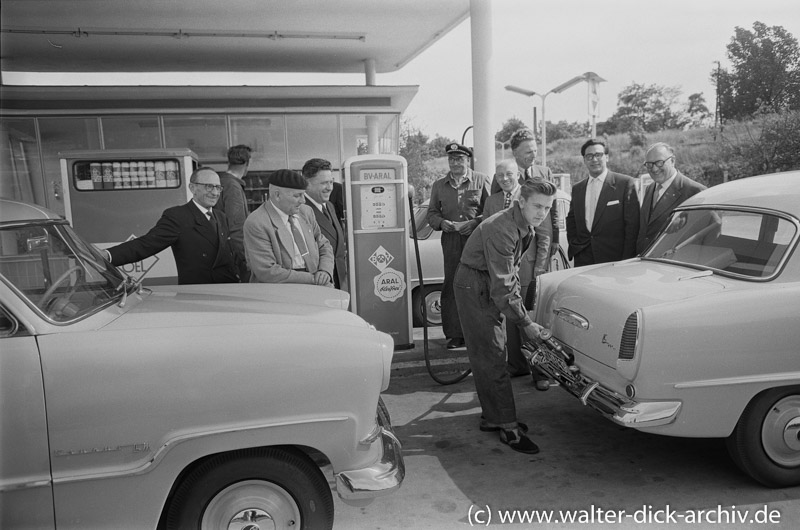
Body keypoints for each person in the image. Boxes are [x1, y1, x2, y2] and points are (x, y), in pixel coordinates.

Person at [454, 179, 556, 454]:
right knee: (493, 354)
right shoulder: (503, 229)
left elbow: (507, 278)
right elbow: (503, 286)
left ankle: (493, 417)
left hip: (485, 281)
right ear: (521, 201)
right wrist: (526, 322)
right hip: (475, 284)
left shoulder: (524, 225)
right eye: (537, 205)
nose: (541, 213)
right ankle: (508, 428)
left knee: (489, 353)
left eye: (547, 208)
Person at [106, 167, 241, 284]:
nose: (215, 193)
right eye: (209, 186)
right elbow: (146, 245)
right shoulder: (178, 216)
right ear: (192, 188)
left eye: (218, 187)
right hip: (199, 294)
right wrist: (108, 256)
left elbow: (228, 257)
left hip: (226, 290)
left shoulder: (221, 216)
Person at [426, 142, 489, 349]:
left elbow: (491, 211)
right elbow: (432, 213)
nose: (455, 163)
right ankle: (454, 334)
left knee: (478, 284)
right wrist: (442, 223)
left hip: (476, 240)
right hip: (451, 241)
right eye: (451, 159)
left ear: (467, 160)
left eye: (459, 159)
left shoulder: (481, 180)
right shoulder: (439, 185)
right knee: (453, 284)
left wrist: (475, 222)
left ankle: (479, 332)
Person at [243, 169, 334, 286]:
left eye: (303, 194)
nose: (303, 200)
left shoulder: (306, 212)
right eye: (297, 196)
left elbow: (324, 245)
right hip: (282, 291)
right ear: (277, 195)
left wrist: (325, 271)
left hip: (316, 282)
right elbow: (267, 272)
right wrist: (313, 279)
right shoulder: (257, 223)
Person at [566, 138, 640, 266]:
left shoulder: (625, 183)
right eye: (589, 156)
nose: (594, 160)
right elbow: (572, 220)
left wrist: (627, 259)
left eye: (598, 155)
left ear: (607, 157)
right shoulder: (578, 188)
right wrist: (575, 245)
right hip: (583, 258)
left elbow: (632, 226)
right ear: (584, 160)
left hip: (614, 260)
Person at [491, 128, 559, 261]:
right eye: (528, 152)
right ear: (515, 152)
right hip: (515, 243)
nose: (534, 156)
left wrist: (555, 238)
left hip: (543, 245)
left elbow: (553, 208)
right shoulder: (502, 177)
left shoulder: (545, 173)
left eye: (535, 151)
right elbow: (496, 207)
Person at [636, 142, 707, 253]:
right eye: (649, 164)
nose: (654, 169)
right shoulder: (649, 189)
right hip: (645, 260)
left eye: (659, 163)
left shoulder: (695, 191)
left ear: (672, 161)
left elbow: (710, 230)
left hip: (673, 264)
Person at [302, 158, 348, 291]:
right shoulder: (300, 211)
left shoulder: (329, 205)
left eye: (331, 182)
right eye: (324, 183)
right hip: (320, 284)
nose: (329, 188)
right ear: (307, 184)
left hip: (339, 281)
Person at [217, 144, 252, 281]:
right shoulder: (233, 186)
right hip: (234, 256)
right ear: (247, 163)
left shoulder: (221, 181)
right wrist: (246, 258)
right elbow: (237, 227)